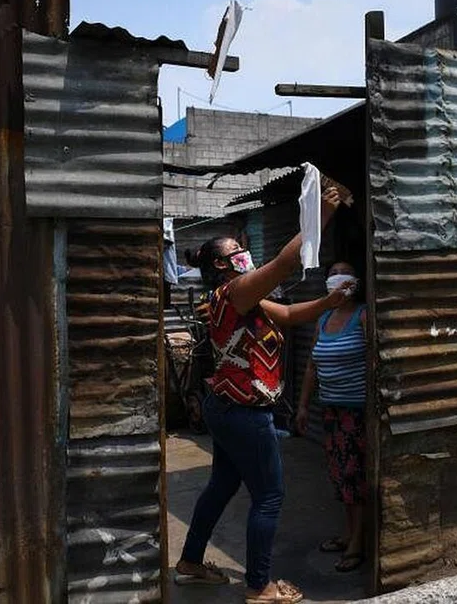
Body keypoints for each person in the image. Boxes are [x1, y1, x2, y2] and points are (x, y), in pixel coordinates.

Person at [175, 187, 348, 604]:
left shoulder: (242, 298)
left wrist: (329, 300)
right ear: (221, 264)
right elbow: (286, 262)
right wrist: (320, 211)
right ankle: (260, 587)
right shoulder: (236, 292)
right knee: (269, 497)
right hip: (244, 412)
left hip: (226, 408)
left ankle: (191, 563)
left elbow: (288, 315)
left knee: (221, 486)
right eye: (237, 250)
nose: (244, 253)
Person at [295, 261, 368, 573]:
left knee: (355, 476)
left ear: (356, 280)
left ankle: (357, 543)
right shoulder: (324, 318)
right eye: (332, 272)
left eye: (345, 271)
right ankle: (348, 533)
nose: (338, 276)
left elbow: (375, 358)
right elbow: (312, 365)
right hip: (331, 410)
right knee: (340, 476)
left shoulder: (364, 315)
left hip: (357, 410)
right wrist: (302, 406)